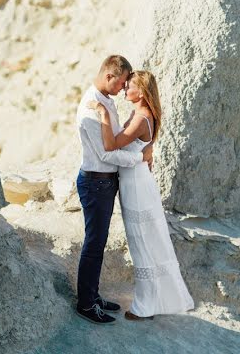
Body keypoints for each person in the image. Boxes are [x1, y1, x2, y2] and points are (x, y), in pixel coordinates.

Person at [90, 70, 195, 320]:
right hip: (134, 181)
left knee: (142, 244)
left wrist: (103, 113)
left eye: (130, 86)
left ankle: (145, 306)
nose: (125, 89)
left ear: (142, 92)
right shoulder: (138, 113)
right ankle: (159, 299)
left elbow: (111, 145)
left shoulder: (141, 117)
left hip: (136, 186)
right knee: (145, 241)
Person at [74, 55, 154, 325]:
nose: (123, 88)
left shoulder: (106, 101)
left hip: (104, 183)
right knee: (93, 244)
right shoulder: (90, 112)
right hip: (96, 182)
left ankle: (93, 296)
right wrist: (139, 158)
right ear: (109, 77)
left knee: (99, 242)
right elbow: (107, 154)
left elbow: (117, 138)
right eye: (121, 83)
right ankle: (85, 304)